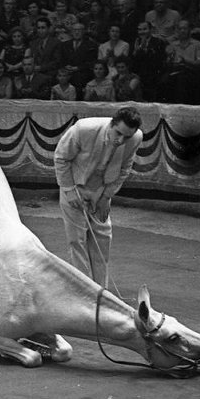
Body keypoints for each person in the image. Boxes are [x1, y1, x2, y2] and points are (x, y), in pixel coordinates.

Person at [54, 107, 143, 287]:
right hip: (75, 185)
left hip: (101, 189)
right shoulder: (83, 129)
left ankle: (102, 292)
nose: (121, 140)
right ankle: (84, 291)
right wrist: (70, 191)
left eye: (126, 136)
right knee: (77, 241)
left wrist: (106, 197)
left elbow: (125, 169)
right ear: (111, 123)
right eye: (118, 133)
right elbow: (61, 158)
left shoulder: (135, 137)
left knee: (103, 239)